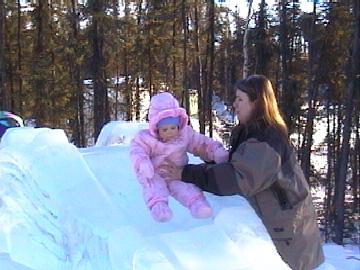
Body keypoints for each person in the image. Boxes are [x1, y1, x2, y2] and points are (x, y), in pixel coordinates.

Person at [160, 75, 324, 270]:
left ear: (257, 102)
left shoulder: (267, 139)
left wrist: (185, 173)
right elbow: (240, 163)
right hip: (282, 224)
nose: (234, 104)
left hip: (289, 232)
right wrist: (211, 156)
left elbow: (236, 178)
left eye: (240, 99)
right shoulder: (252, 131)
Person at [129, 92, 228, 223]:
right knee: (153, 186)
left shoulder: (184, 134)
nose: (170, 132)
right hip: (155, 171)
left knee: (187, 187)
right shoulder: (146, 138)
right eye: (165, 130)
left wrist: (215, 151)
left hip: (177, 171)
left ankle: (198, 205)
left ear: (179, 124)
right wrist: (143, 163)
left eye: (173, 128)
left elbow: (200, 143)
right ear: (156, 128)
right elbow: (137, 150)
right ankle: (159, 207)